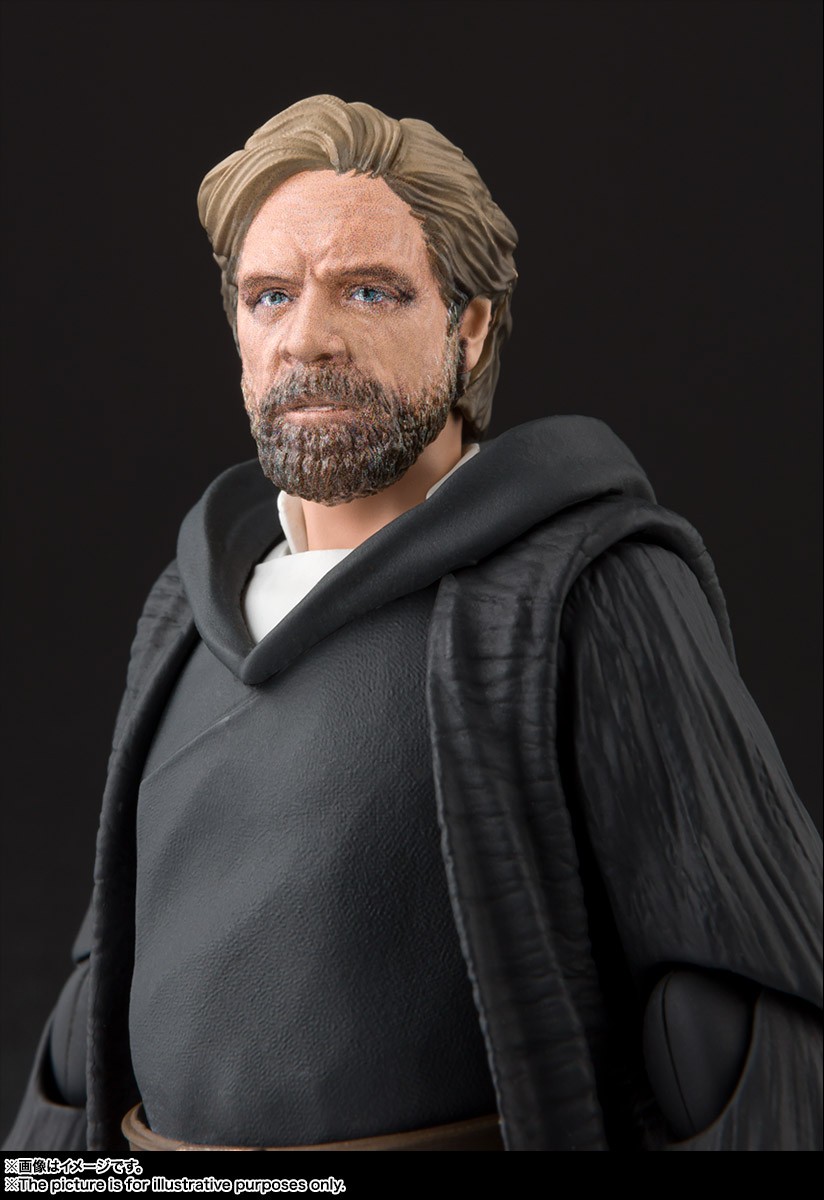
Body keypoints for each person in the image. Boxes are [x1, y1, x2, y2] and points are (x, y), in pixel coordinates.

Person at [5, 95, 821, 1154]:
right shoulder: (185, 616)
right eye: (269, 296)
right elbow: (98, 998)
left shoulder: (576, 588)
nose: (308, 338)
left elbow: (731, 1005)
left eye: (369, 291)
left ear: (466, 326)